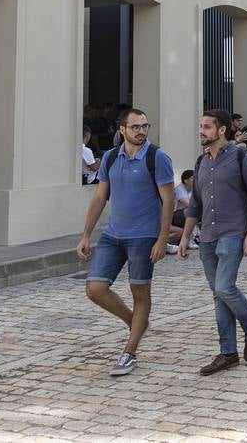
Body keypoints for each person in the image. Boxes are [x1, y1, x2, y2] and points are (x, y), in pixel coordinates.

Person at [75, 108, 175, 377]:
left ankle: (129, 352)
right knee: (95, 289)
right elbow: (99, 197)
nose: (141, 131)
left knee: (140, 292)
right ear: (122, 130)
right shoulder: (109, 157)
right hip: (112, 235)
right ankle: (135, 323)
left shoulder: (157, 157)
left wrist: (162, 239)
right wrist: (86, 234)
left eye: (145, 126)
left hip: (143, 237)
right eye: (135, 127)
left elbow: (169, 201)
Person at [177, 109, 247, 375]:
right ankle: (228, 353)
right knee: (218, 295)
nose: (201, 131)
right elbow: (195, 204)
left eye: (207, 127)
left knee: (224, 288)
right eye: (201, 126)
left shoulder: (241, 157)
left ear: (222, 129)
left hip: (233, 233)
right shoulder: (201, 162)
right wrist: (185, 237)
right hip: (207, 237)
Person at [168, 169, 195, 249]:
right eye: (192, 178)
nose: (195, 180)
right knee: (190, 211)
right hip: (174, 216)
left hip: (183, 215)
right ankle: (190, 239)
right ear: (186, 180)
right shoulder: (179, 188)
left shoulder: (194, 189)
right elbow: (187, 204)